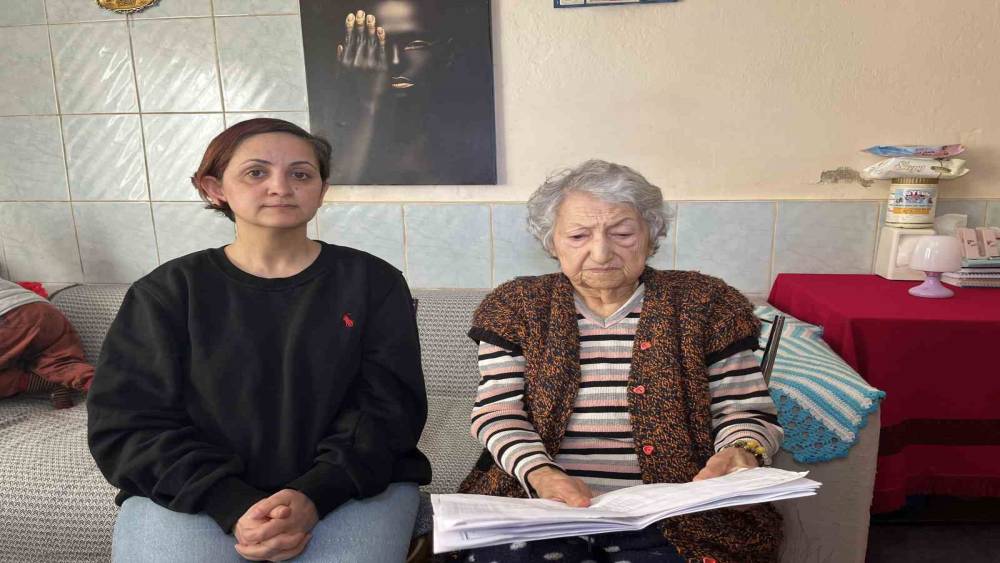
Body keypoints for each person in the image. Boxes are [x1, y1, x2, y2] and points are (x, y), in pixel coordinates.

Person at [87, 118, 431, 562]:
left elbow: (389, 410)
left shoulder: (374, 283)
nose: (280, 187)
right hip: (194, 492)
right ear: (214, 188)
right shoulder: (167, 292)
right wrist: (230, 500)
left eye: (301, 174)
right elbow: (129, 423)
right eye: (256, 172)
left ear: (322, 190)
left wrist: (314, 494)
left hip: (348, 487)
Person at [450, 160, 784, 562]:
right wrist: (541, 473)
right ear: (552, 243)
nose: (601, 252)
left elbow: (744, 410)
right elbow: (497, 413)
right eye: (578, 235)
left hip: (678, 512)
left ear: (651, 235)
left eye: (622, 234)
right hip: (540, 504)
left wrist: (743, 449)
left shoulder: (706, 303)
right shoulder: (517, 307)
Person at [0, 278, 92, 402]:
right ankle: (113, 390)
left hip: (8, 318)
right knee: (63, 364)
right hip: (43, 311)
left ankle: (34, 382)